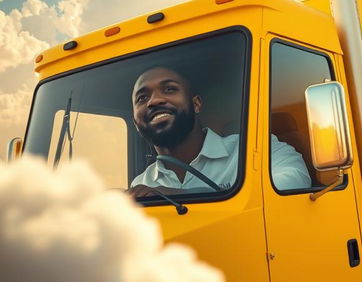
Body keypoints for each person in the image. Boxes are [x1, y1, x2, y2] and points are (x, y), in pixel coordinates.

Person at [128, 66, 311, 196]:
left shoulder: (255, 148)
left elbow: (295, 179)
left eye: (169, 89)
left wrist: (177, 195)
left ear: (196, 104)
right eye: (142, 98)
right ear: (136, 123)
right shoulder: (141, 183)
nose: (154, 101)